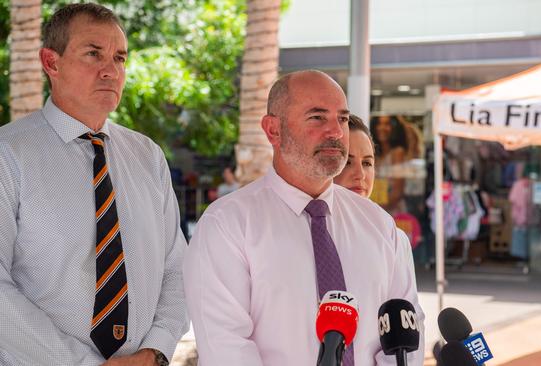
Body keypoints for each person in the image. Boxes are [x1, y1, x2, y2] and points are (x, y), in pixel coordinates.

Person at [183, 70, 424, 365]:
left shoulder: (379, 226)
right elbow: (227, 348)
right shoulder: (227, 225)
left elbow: (407, 337)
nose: (336, 132)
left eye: (343, 119)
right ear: (273, 130)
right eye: (317, 117)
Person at [0, 4, 188, 365]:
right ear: (50, 62)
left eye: (120, 58)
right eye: (93, 54)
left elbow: (177, 269)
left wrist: (155, 351)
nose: (111, 71)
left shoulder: (148, 156)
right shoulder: (9, 155)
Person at [369, 115, 408, 214]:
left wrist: (378, 210)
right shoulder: (374, 153)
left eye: (387, 124)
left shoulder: (397, 152)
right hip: (376, 207)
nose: (382, 128)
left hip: (391, 210)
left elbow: (398, 191)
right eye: (379, 124)